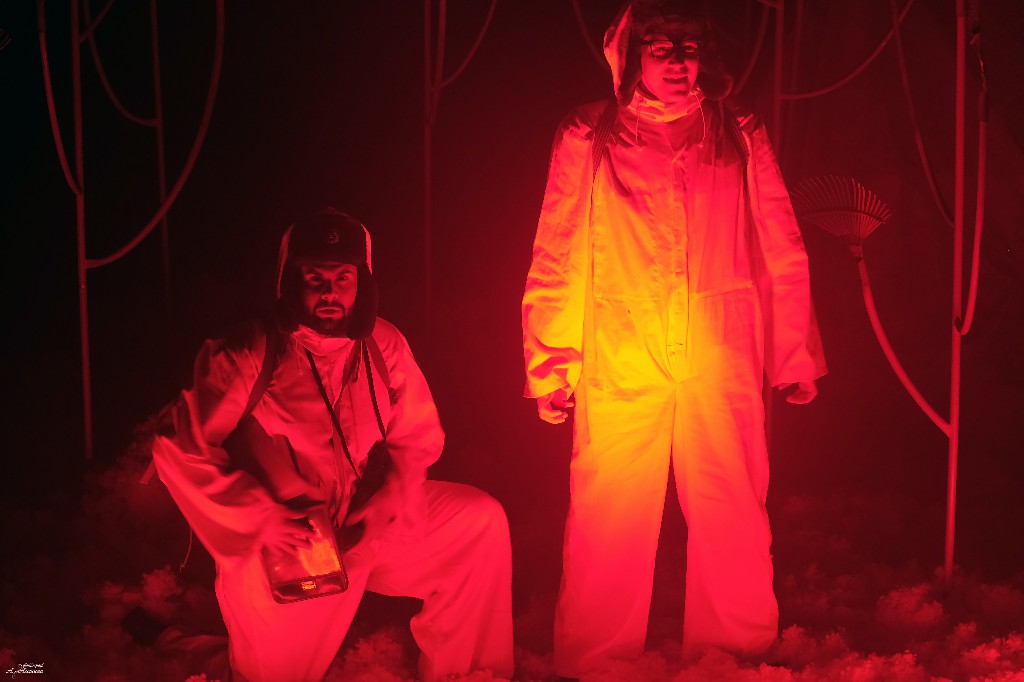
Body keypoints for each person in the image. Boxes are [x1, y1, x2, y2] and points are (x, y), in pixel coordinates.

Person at [521, 0, 827, 676]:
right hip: (621, 346)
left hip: (722, 344)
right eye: (661, 46)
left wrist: (792, 351)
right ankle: (596, 659)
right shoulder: (591, 133)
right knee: (609, 507)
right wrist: (552, 361)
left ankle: (733, 653)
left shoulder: (737, 130)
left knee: (732, 500)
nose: (678, 61)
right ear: (630, 53)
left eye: (688, 46)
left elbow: (778, 240)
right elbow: (559, 249)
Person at [153, 209, 514, 682]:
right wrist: (258, 516)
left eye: (343, 278)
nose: (329, 292)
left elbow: (417, 435)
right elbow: (178, 447)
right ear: (289, 279)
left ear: (361, 282)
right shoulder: (250, 349)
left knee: (477, 524)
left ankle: (468, 676)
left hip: (367, 522)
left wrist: (397, 491)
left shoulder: (383, 344)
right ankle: (181, 649)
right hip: (292, 541)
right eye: (314, 277)